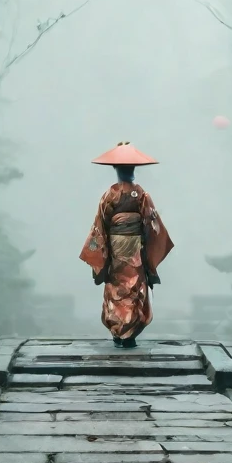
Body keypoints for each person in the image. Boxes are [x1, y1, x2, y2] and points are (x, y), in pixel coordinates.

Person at [78, 141, 173, 347]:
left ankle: (118, 330)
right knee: (135, 286)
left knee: (116, 289)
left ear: (115, 169)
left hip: (114, 248)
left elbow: (99, 225)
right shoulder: (142, 195)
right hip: (135, 249)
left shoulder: (109, 195)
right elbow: (152, 223)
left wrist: (100, 253)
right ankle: (129, 334)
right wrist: (147, 242)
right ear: (133, 169)